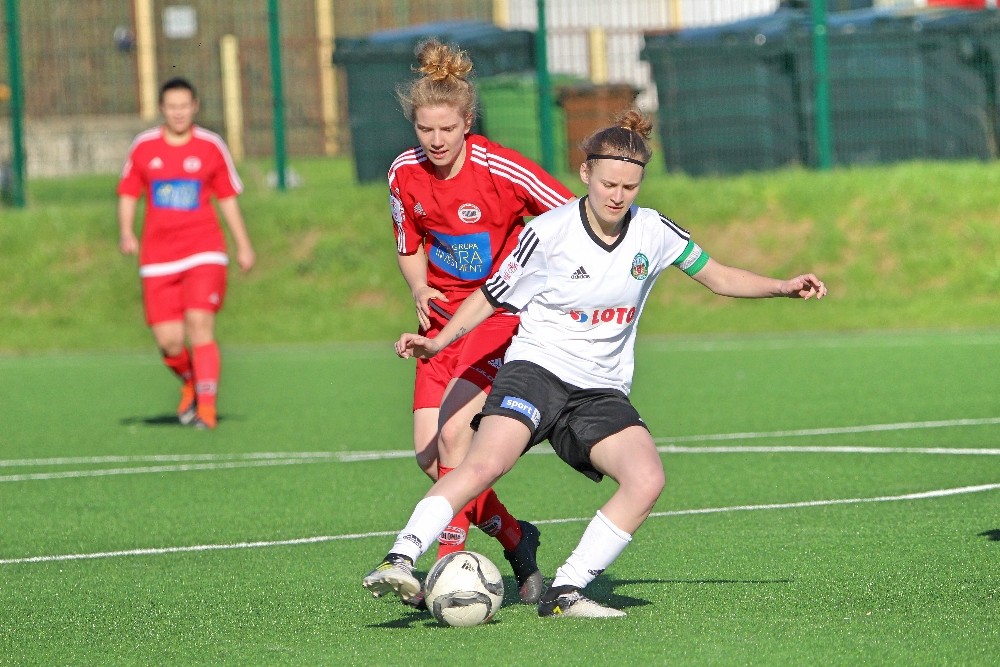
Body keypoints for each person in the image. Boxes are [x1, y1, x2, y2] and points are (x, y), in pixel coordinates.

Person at [364, 109, 827, 618]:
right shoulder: (549, 232)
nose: (618, 195)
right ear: (585, 173)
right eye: (608, 183)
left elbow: (718, 276)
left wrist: (782, 286)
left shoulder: (654, 231)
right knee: (485, 462)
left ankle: (566, 589)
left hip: (599, 390)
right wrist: (439, 342)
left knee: (646, 479)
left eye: (630, 186)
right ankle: (401, 556)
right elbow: (490, 296)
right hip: (537, 371)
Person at [383, 38, 576, 606]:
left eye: (447, 129)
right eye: (425, 130)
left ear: (468, 122)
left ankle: (448, 562)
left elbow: (571, 219)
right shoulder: (404, 173)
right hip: (438, 325)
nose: (436, 140)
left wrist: (553, 285)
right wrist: (419, 286)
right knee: (432, 460)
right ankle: (515, 536)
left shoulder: (501, 168)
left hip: (496, 317)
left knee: (453, 438)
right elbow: (408, 244)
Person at [117, 77, 255, 430]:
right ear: (162, 109)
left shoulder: (210, 146)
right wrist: (126, 232)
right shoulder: (144, 147)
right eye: (171, 107)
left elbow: (227, 197)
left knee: (199, 324)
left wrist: (243, 245)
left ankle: (206, 409)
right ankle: (191, 381)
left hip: (204, 251)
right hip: (157, 257)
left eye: (184, 106)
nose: (178, 113)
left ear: (194, 107)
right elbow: (129, 192)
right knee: (169, 341)